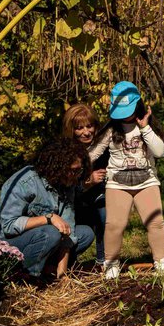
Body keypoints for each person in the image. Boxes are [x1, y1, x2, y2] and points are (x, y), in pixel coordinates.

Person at [88, 81, 164, 280]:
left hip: (147, 182)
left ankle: (162, 263)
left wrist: (145, 128)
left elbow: (158, 151)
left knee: (156, 223)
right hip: (117, 183)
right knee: (115, 225)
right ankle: (111, 264)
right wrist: (75, 164)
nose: (124, 115)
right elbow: (92, 153)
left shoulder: (145, 128)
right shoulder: (110, 130)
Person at [0, 138, 95, 280]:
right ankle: (29, 275)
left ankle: (50, 269)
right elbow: (9, 226)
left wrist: (62, 276)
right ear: (57, 167)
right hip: (4, 241)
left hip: (39, 237)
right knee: (51, 232)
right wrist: (48, 218)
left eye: (79, 170)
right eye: (73, 171)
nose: (76, 176)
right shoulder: (26, 182)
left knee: (85, 233)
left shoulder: (68, 183)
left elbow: (68, 230)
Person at [63, 103, 107, 268]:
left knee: (104, 216)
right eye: (79, 128)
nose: (86, 132)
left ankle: (103, 261)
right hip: (74, 200)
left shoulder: (103, 147)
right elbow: (66, 188)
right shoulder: (66, 152)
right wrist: (88, 182)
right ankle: (66, 260)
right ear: (71, 130)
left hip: (100, 196)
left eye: (89, 126)